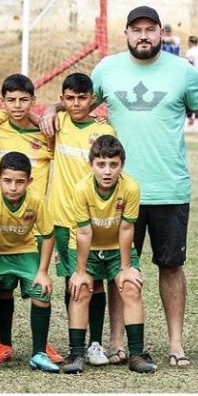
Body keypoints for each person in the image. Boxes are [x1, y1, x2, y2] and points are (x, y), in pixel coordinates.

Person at [42, 6, 198, 364]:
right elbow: (80, 101)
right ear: (126, 33)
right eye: (137, 29)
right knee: (121, 265)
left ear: (162, 33)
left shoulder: (184, 73)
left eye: (151, 29)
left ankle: (175, 343)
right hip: (114, 193)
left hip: (168, 188)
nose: (144, 35)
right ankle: (117, 343)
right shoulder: (107, 69)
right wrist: (49, 109)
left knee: (170, 266)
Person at [60, 135, 156, 375]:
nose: (107, 171)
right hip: (86, 247)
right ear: (91, 164)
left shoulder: (131, 187)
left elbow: (126, 228)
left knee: (131, 286)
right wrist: (80, 272)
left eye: (113, 165)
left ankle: (136, 354)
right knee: (80, 290)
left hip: (117, 247)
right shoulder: (81, 189)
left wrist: (125, 268)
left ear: (121, 166)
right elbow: (83, 232)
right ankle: (76, 353)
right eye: (101, 165)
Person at [41, 72, 114, 366]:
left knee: (93, 282)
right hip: (60, 217)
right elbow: (37, 122)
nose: (76, 104)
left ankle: (95, 343)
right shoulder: (58, 124)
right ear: (62, 100)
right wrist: (50, 109)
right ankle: (76, 343)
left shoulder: (104, 130)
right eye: (69, 99)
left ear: (93, 100)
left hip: (91, 220)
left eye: (82, 98)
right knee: (72, 281)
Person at [0, 152, 59, 375]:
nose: (13, 187)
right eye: (7, 181)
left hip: (23, 251)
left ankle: (38, 354)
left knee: (41, 290)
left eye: (20, 182)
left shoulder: (36, 201)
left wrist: (43, 271)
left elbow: (48, 235)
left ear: (29, 181)